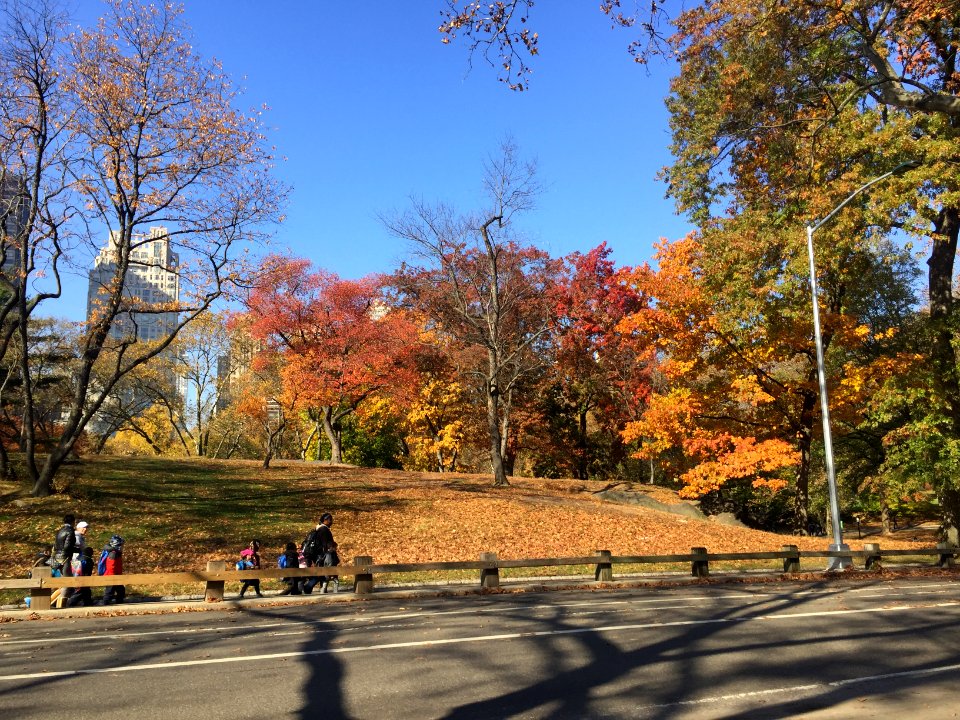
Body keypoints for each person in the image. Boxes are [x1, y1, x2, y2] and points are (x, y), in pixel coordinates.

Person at [303, 513, 339, 594]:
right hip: (323, 555)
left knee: (320, 573)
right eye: (330, 520)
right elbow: (326, 545)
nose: (331, 521)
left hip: (318, 555)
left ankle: (313, 588)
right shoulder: (324, 530)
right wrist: (332, 550)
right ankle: (309, 587)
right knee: (323, 573)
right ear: (325, 520)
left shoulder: (318, 529)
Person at [98, 534, 126, 604]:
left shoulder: (117, 553)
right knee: (109, 592)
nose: (122, 547)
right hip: (111, 576)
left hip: (116, 576)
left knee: (121, 591)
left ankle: (119, 602)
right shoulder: (113, 554)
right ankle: (105, 604)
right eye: (121, 545)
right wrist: (113, 578)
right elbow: (111, 566)